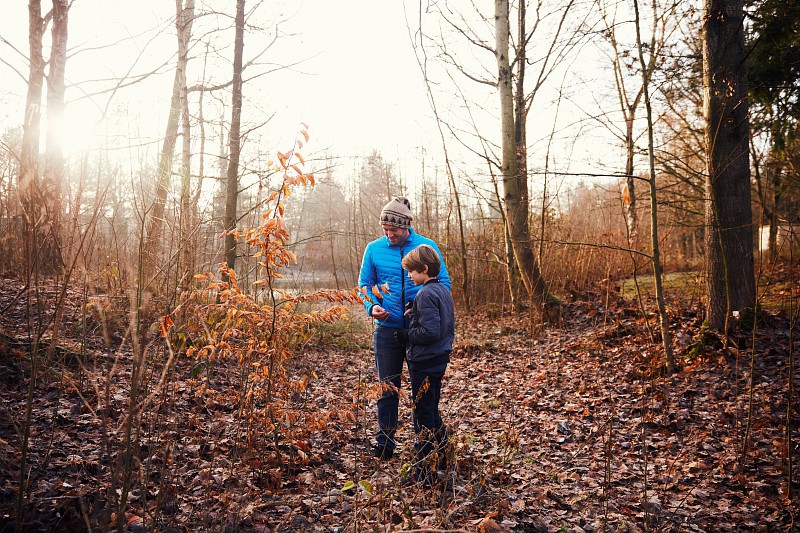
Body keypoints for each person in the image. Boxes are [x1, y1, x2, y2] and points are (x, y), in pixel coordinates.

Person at [358, 196, 451, 461]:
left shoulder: (426, 247)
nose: (389, 235)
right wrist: (371, 306)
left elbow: (443, 283)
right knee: (387, 388)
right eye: (385, 230)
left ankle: (424, 446)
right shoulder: (374, 249)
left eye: (394, 230)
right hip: (386, 330)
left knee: (422, 392)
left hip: (421, 333)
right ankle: (385, 444)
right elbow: (364, 285)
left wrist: (421, 306)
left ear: (406, 226)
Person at [396, 244, 454, 484]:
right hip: (437, 359)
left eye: (412, 271)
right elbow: (438, 321)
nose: (409, 276)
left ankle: (423, 470)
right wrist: (416, 311)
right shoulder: (440, 290)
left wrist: (407, 335)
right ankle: (444, 455)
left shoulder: (426, 293)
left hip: (426, 361)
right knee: (430, 409)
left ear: (425, 269)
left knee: (422, 414)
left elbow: (431, 331)